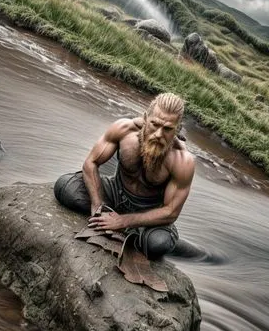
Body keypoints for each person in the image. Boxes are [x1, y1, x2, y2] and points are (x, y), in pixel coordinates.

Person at [54, 93, 195, 260]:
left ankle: (133, 231)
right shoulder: (124, 130)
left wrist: (123, 221)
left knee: (158, 244)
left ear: (177, 129)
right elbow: (91, 163)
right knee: (65, 186)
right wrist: (97, 205)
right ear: (145, 118)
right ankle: (114, 220)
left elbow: (170, 212)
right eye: (154, 124)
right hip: (115, 193)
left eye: (167, 129)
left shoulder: (182, 160)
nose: (158, 134)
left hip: (149, 213)